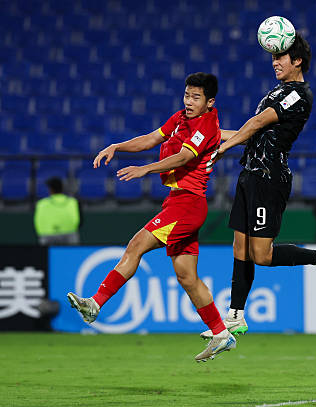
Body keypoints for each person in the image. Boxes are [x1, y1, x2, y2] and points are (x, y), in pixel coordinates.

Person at [67, 72, 235, 362]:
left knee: (136, 245)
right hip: (180, 201)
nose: (189, 101)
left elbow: (184, 157)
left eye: (196, 97)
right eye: (187, 95)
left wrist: (146, 169)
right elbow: (150, 139)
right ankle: (221, 333)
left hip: (187, 204)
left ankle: (95, 303)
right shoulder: (180, 118)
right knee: (187, 277)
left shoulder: (206, 125)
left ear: (210, 102)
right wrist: (117, 146)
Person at [200, 32, 316, 338]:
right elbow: (250, 133)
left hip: (270, 176)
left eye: (280, 57)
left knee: (262, 256)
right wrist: (207, 137)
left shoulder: (298, 95)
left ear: (297, 61)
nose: (274, 62)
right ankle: (235, 315)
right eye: (273, 57)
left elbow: (254, 124)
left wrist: (224, 148)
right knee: (240, 246)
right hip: (250, 174)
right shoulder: (276, 92)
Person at [34, 177, 81, 245]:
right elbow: (78, 221)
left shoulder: (41, 203)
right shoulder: (73, 202)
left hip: (47, 236)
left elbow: (38, 221)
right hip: (69, 236)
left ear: (50, 189)